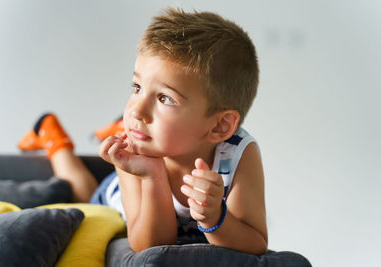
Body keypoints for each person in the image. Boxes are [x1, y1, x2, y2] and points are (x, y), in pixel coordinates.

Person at [18, 7, 267, 255]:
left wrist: (216, 219)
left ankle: (114, 125)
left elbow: (256, 243)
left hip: (152, 142)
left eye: (165, 98)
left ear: (219, 126)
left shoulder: (238, 155)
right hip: (116, 199)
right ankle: (51, 135)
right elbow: (149, 246)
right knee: (82, 193)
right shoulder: (133, 150)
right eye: (136, 87)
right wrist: (152, 176)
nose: (136, 110)